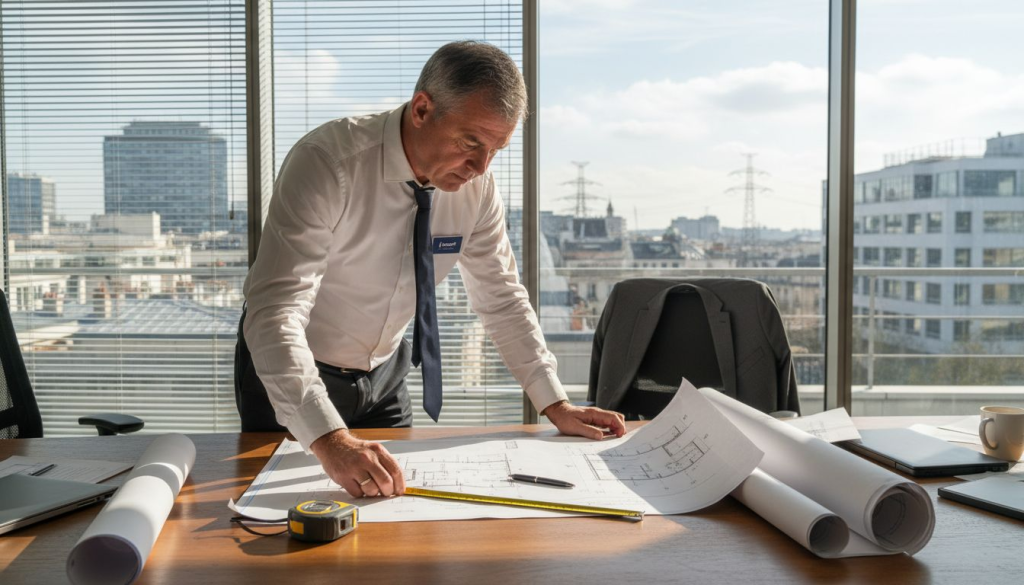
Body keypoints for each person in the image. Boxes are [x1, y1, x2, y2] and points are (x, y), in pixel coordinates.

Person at [235, 40, 625, 500]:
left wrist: (554, 403)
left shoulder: (477, 189)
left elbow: (500, 297)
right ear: (422, 109)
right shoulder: (326, 163)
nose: (480, 168)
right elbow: (276, 312)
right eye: (470, 143)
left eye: (496, 150)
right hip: (294, 370)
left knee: (396, 511)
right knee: (278, 517)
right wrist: (328, 439)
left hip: (385, 376)